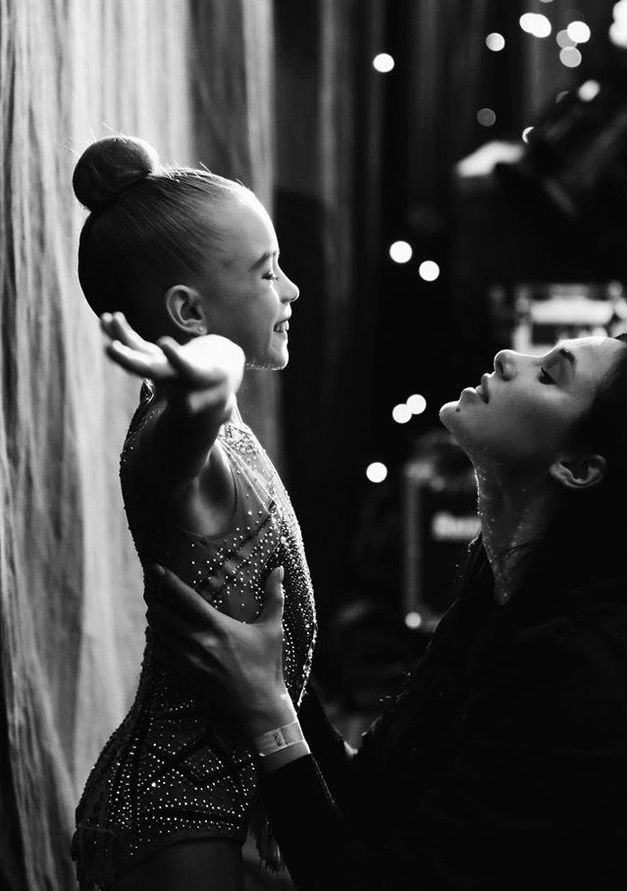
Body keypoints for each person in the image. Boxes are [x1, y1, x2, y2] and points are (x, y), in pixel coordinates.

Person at [145, 333, 627, 890]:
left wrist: (267, 712)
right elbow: (369, 798)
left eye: (549, 374)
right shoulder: (498, 601)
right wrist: (275, 686)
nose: (508, 357)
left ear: (577, 467)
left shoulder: (584, 678)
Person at [70, 135, 317, 891]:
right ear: (189, 311)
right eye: (267, 270)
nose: (291, 290)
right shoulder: (175, 450)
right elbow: (209, 381)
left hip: (211, 798)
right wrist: (210, 362)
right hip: (169, 817)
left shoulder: (221, 432)